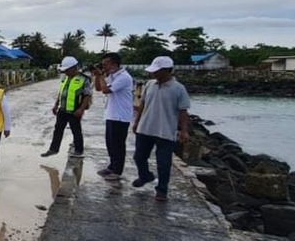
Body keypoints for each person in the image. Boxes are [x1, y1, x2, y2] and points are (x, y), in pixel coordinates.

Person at [132, 56, 190, 201]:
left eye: (157, 71)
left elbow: (183, 111)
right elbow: (142, 104)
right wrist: (136, 122)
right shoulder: (149, 84)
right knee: (139, 157)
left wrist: (184, 131)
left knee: (164, 163)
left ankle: (162, 190)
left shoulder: (179, 89)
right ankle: (145, 175)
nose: (154, 73)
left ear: (167, 70)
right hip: (145, 128)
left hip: (166, 131)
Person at [91, 52, 133, 182]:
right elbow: (98, 88)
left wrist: (100, 75)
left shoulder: (124, 77)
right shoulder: (112, 76)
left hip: (120, 116)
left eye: (106, 64)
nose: (104, 66)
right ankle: (112, 166)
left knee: (118, 144)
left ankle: (117, 171)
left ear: (114, 64)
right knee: (110, 143)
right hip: (112, 114)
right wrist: (97, 76)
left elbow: (106, 90)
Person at [41, 56, 92, 158]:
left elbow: (87, 95)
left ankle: (79, 150)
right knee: (58, 130)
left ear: (74, 68)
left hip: (74, 110)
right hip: (63, 109)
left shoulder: (83, 79)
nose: (65, 72)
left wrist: (81, 109)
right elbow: (61, 92)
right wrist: (56, 105)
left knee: (76, 131)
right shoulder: (65, 78)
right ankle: (53, 149)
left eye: (67, 70)